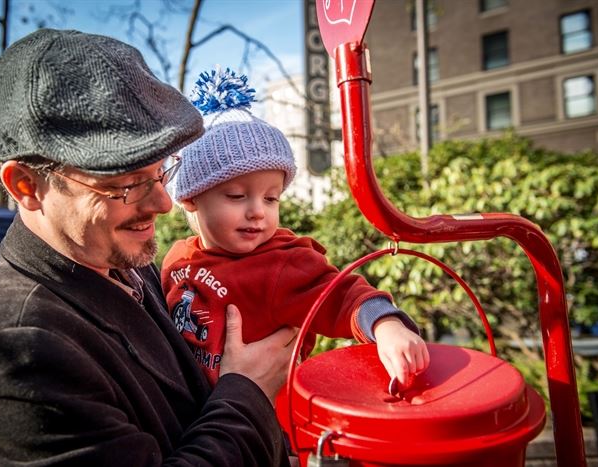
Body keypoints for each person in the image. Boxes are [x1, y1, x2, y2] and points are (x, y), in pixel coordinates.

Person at [0, 29, 297, 467]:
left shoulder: (120, 260)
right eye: (123, 184)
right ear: (26, 185)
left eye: (161, 170)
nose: (163, 203)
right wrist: (247, 393)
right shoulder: (9, 356)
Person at [162, 68, 430, 388]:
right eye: (236, 196)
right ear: (190, 198)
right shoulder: (177, 258)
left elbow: (340, 294)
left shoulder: (281, 264)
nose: (258, 211)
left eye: (272, 198)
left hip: (266, 421)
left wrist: (387, 325)